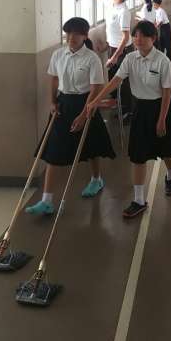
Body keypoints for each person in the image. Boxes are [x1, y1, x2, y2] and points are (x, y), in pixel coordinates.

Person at [87, 21, 171, 218]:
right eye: (135, 36)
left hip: (162, 107)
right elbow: (115, 81)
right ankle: (138, 200)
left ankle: (170, 177)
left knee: (167, 148)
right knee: (138, 154)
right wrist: (96, 100)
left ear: (153, 38)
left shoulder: (162, 61)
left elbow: (167, 92)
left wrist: (161, 119)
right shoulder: (130, 58)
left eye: (143, 36)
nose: (138, 39)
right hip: (141, 109)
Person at [25, 17, 115, 215]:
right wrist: (52, 101)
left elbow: (96, 87)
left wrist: (84, 114)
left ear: (85, 36)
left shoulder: (92, 58)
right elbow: (54, 79)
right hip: (63, 104)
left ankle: (96, 179)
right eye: (68, 33)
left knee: (91, 146)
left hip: (86, 103)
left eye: (76, 34)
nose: (71, 38)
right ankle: (47, 201)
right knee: (54, 150)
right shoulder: (58, 54)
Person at [83, 0, 134, 116]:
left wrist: (115, 56)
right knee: (113, 77)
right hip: (113, 47)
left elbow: (125, 37)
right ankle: (117, 101)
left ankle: (128, 109)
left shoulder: (123, 12)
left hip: (123, 50)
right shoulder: (112, 2)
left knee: (123, 80)